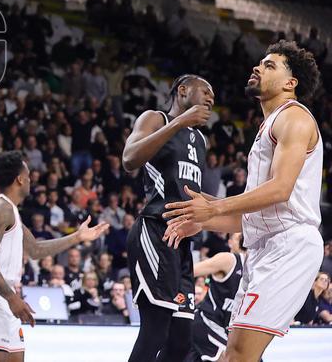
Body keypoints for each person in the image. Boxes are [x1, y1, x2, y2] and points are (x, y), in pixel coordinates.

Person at [164, 41, 324, 362]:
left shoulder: (294, 118)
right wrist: (203, 217)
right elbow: (252, 216)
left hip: (289, 246)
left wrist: (214, 207)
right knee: (230, 354)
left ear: (290, 83)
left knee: (239, 355)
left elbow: (280, 190)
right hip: (264, 245)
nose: (257, 67)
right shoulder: (269, 125)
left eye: (269, 65)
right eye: (260, 63)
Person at [0, 152, 108, 361]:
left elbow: (35, 250)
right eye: (28, 175)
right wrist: (12, 298)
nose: (31, 180)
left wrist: (77, 237)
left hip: (4, 292)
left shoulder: (10, 211)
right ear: (19, 179)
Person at [121, 74, 213, 362]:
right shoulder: (156, 118)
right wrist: (177, 123)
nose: (211, 97)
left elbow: (195, 195)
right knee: (155, 331)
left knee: (181, 340)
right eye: (206, 91)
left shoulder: (200, 139)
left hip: (183, 242)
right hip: (156, 232)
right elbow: (129, 159)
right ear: (182, 91)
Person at [188, 234, 245, 362]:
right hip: (209, 322)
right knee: (233, 359)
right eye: (238, 237)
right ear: (229, 242)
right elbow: (188, 271)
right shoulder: (228, 260)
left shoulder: (257, 267)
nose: (243, 238)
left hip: (230, 329)